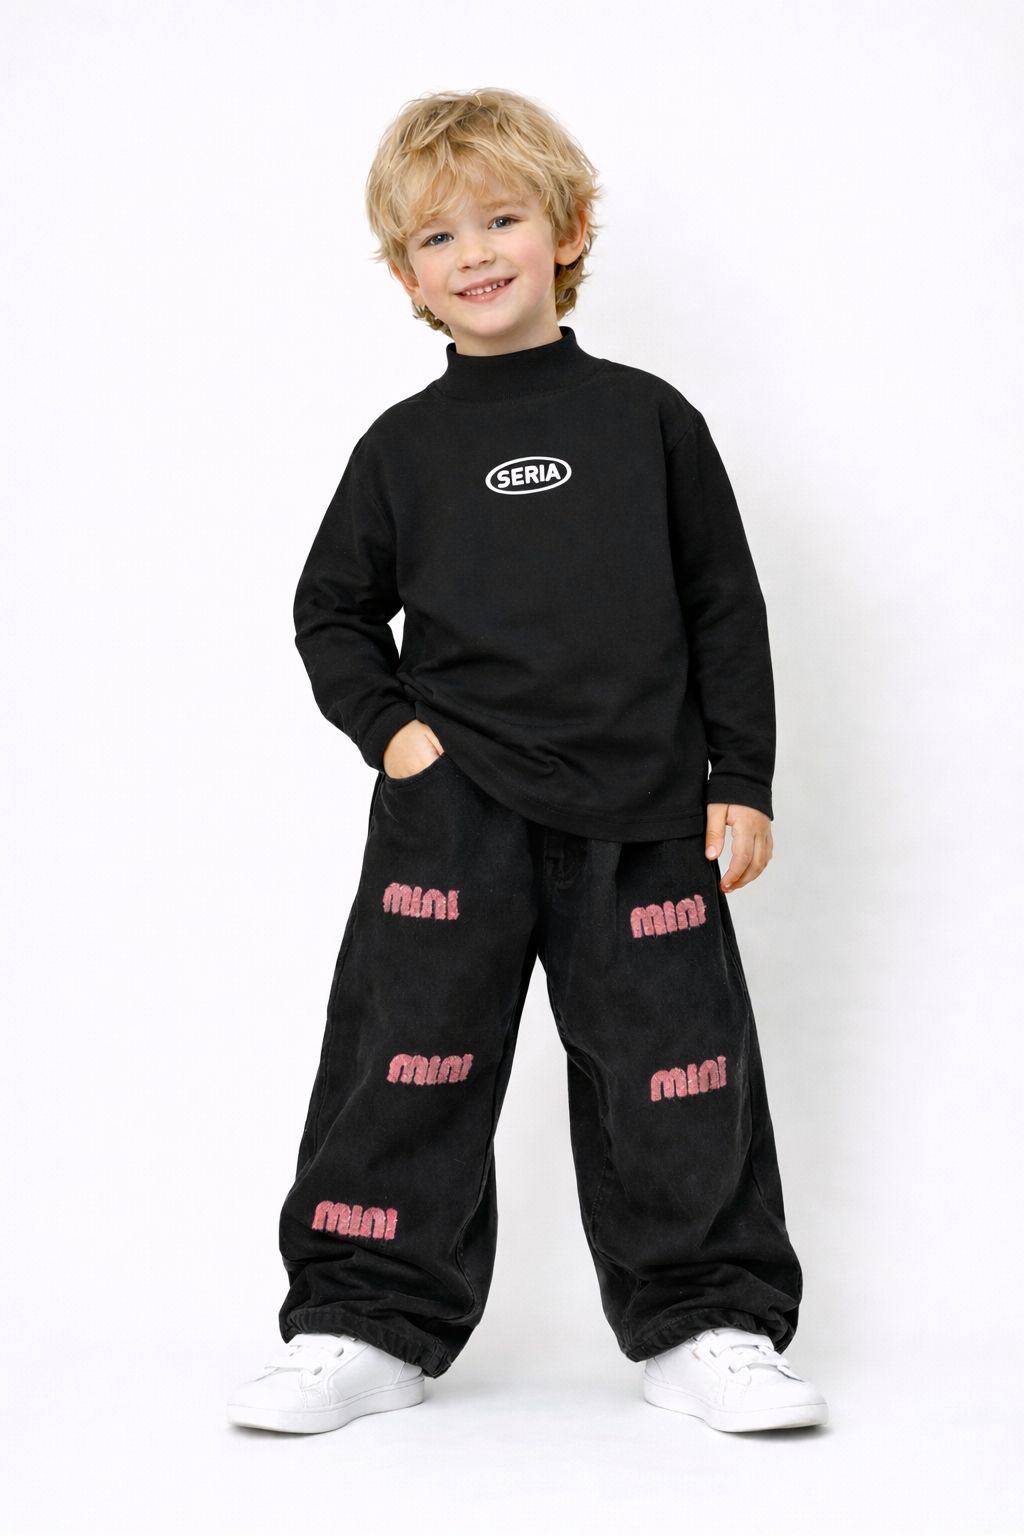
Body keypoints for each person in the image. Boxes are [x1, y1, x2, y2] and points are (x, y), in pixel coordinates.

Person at [227, 86, 828, 1437]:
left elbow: (724, 608)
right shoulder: (402, 447)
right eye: (437, 238)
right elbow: (331, 612)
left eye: (501, 219)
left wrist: (740, 781)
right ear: (407, 277)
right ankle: (361, 1323)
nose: (475, 254)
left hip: (646, 817)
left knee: (678, 1072)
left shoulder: (648, 420)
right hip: (454, 819)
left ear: (567, 230)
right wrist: (398, 739)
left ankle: (708, 1320)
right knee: (405, 1067)